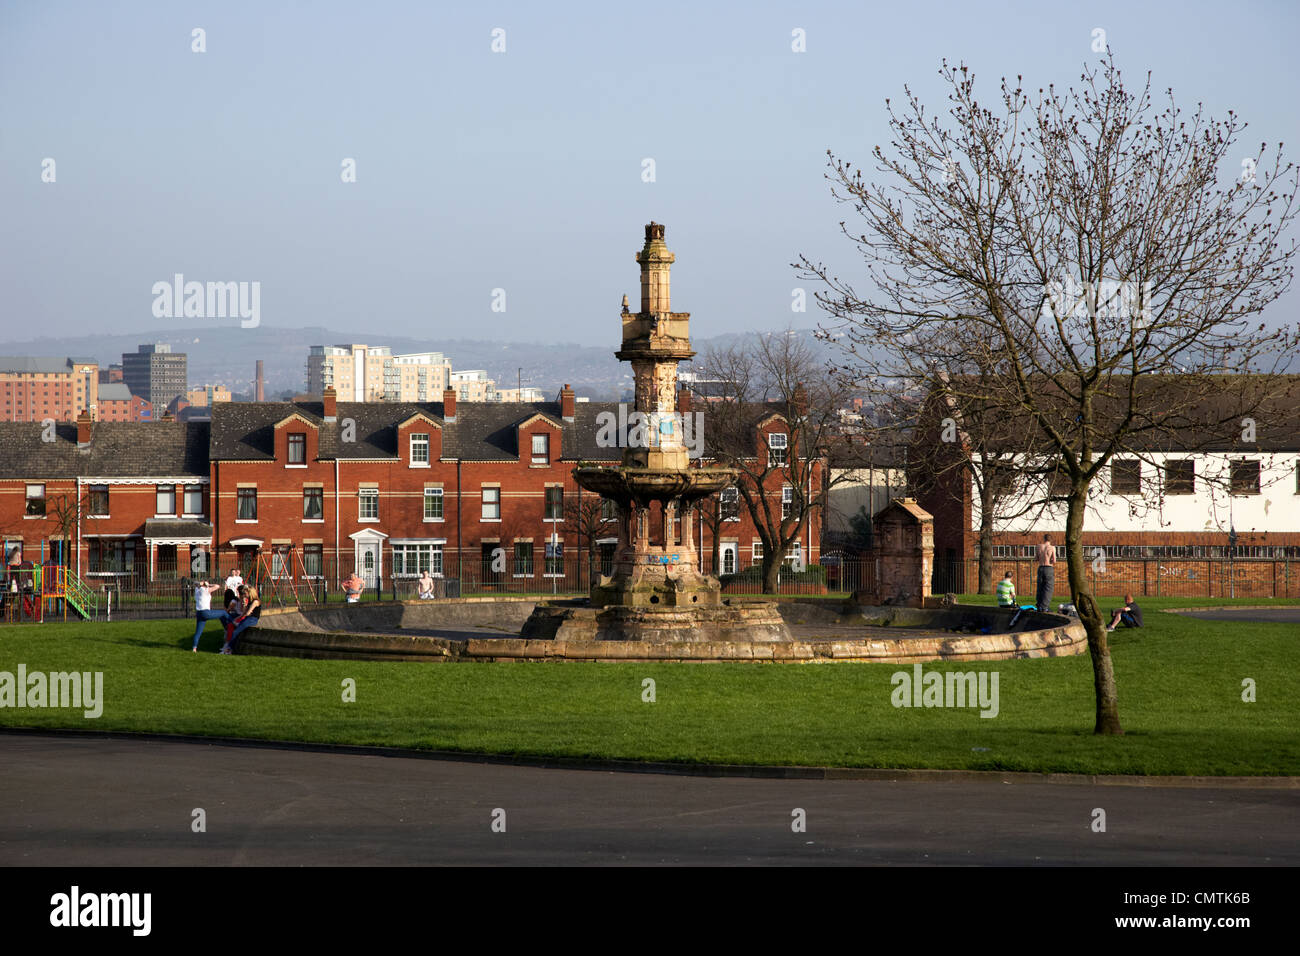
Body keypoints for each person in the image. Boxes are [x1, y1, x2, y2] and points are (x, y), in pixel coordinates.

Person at [220, 584, 261, 654]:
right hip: (248, 618)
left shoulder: (255, 601)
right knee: (233, 626)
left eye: (245, 593)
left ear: (250, 592)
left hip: (252, 619)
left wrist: (246, 609)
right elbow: (244, 613)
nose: (244, 595)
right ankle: (228, 647)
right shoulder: (250, 601)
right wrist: (236, 619)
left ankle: (229, 649)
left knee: (236, 631)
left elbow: (247, 613)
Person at [190, 580, 224, 652]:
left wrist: (201, 584)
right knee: (224, 613)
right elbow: (218, 586)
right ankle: (232, 622)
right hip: (205, 612)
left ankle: (194, 648)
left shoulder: (197, 589)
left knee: (198, 632)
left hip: (199, 613)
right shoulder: (205, 590)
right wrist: (209, 584)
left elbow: (195, 583)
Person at [1035, 534, 1056, 613]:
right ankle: (1045, 607)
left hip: (1040, 567)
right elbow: (1054, 560)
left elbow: (1036, 558)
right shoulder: (1052, 548)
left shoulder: (1039, 547)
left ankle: (1039, 605)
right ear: (1051, 540)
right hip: (1049, 567)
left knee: (1040, 587)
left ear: (1044, 539)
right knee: (1048, 588)